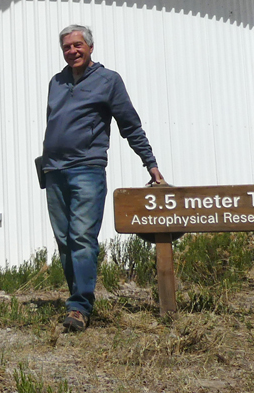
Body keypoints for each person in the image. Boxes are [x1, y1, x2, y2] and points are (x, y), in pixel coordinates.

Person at [41, 24, 165, 332]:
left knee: (82, 236)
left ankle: (80, 307)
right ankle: (77, 298)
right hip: (54, 171)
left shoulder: (109, 81)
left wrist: (150, 164)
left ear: (90, 47)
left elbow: (130, 126)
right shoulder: (56, 82)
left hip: (86, 169)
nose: (73, 51)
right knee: (65, 240)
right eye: (67, 47)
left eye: (78, 45)